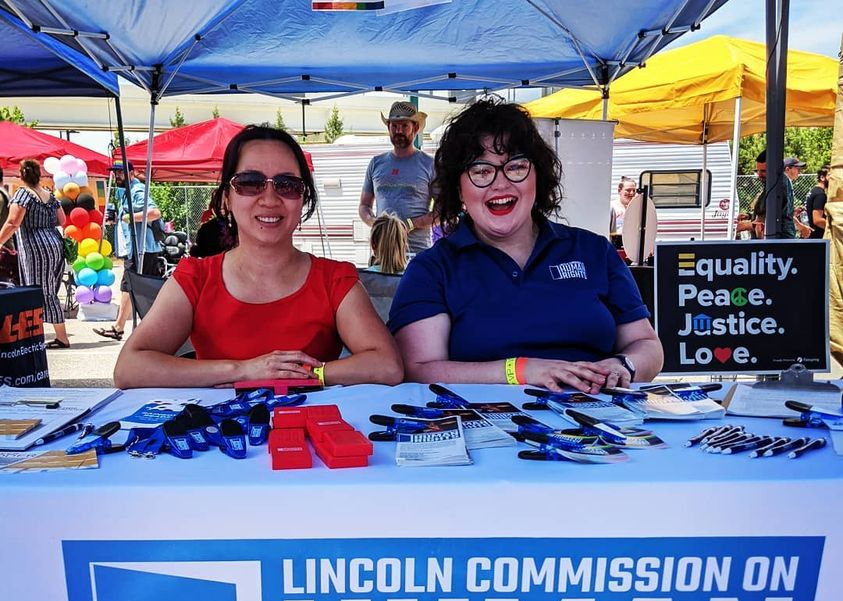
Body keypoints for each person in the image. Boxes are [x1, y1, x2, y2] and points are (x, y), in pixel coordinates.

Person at [388, 98, 663, 393]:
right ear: (459, 188)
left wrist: (624, 365)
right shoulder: (432, 270)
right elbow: (419, 370)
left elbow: (647, 345)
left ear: (538, 177)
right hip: (487, 428)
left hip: (598, 420)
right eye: (481, 171)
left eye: (516, 167)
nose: (500, 184)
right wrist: (520, 369)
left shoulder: (594, 251)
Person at [113, 125, 403, 389]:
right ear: (226, 197)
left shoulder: (335, 279)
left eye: (287, 185)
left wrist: (311, 374)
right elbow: (129, 368)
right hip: (217, 438)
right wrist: (244, 370)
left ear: (303, 199)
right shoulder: (196, 278)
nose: (269, 198)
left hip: (311, 435)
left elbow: (387, 365)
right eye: (250, 182)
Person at [0, 158, 70, 348]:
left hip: (36, 247)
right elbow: (62, 220)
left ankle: (59, 337)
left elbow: (13, 222)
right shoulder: (49, 195)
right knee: (49, 289)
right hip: (55, 243)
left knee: (39, 290)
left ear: (21, 175)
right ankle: (42, 333)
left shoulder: (23, 195)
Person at [94, 160, 163, 342]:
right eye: (115, 173)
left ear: (131, 173)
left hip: (143, 249)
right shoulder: (125, 193)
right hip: (136, 249)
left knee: (135, 287)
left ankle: (143, 328)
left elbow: (155, 213)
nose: (117, 176)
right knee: (129, 287)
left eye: (121, 173)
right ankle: (120, 327)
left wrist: (127, 217)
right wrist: (116, 218)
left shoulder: (137, 190)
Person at [358, 101, 435, 255]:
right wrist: (374, 222)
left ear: (416, 128)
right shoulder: (376, 163)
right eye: (394, 126)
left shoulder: (429, 164)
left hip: (417, 253)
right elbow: (364, 206)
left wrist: (412, 224)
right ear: (388, 128)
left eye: (404, 126)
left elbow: (444, 210)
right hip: (382, 251)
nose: (399, 130)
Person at [783, 156, 807, 239]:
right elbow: (785, 214)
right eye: (797, 168)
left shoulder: (785, 182)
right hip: (784, 232)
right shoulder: (785, 182)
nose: (799, 172)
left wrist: (793, 211)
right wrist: (801, 227)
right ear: (787, 169)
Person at [804, 165, 829, 239]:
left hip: (812, 236)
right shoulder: (820, 194)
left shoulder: (813, 191)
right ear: (822, 177)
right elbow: (817, 220)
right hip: (818, 237)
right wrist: (834, 228)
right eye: (830, 176)